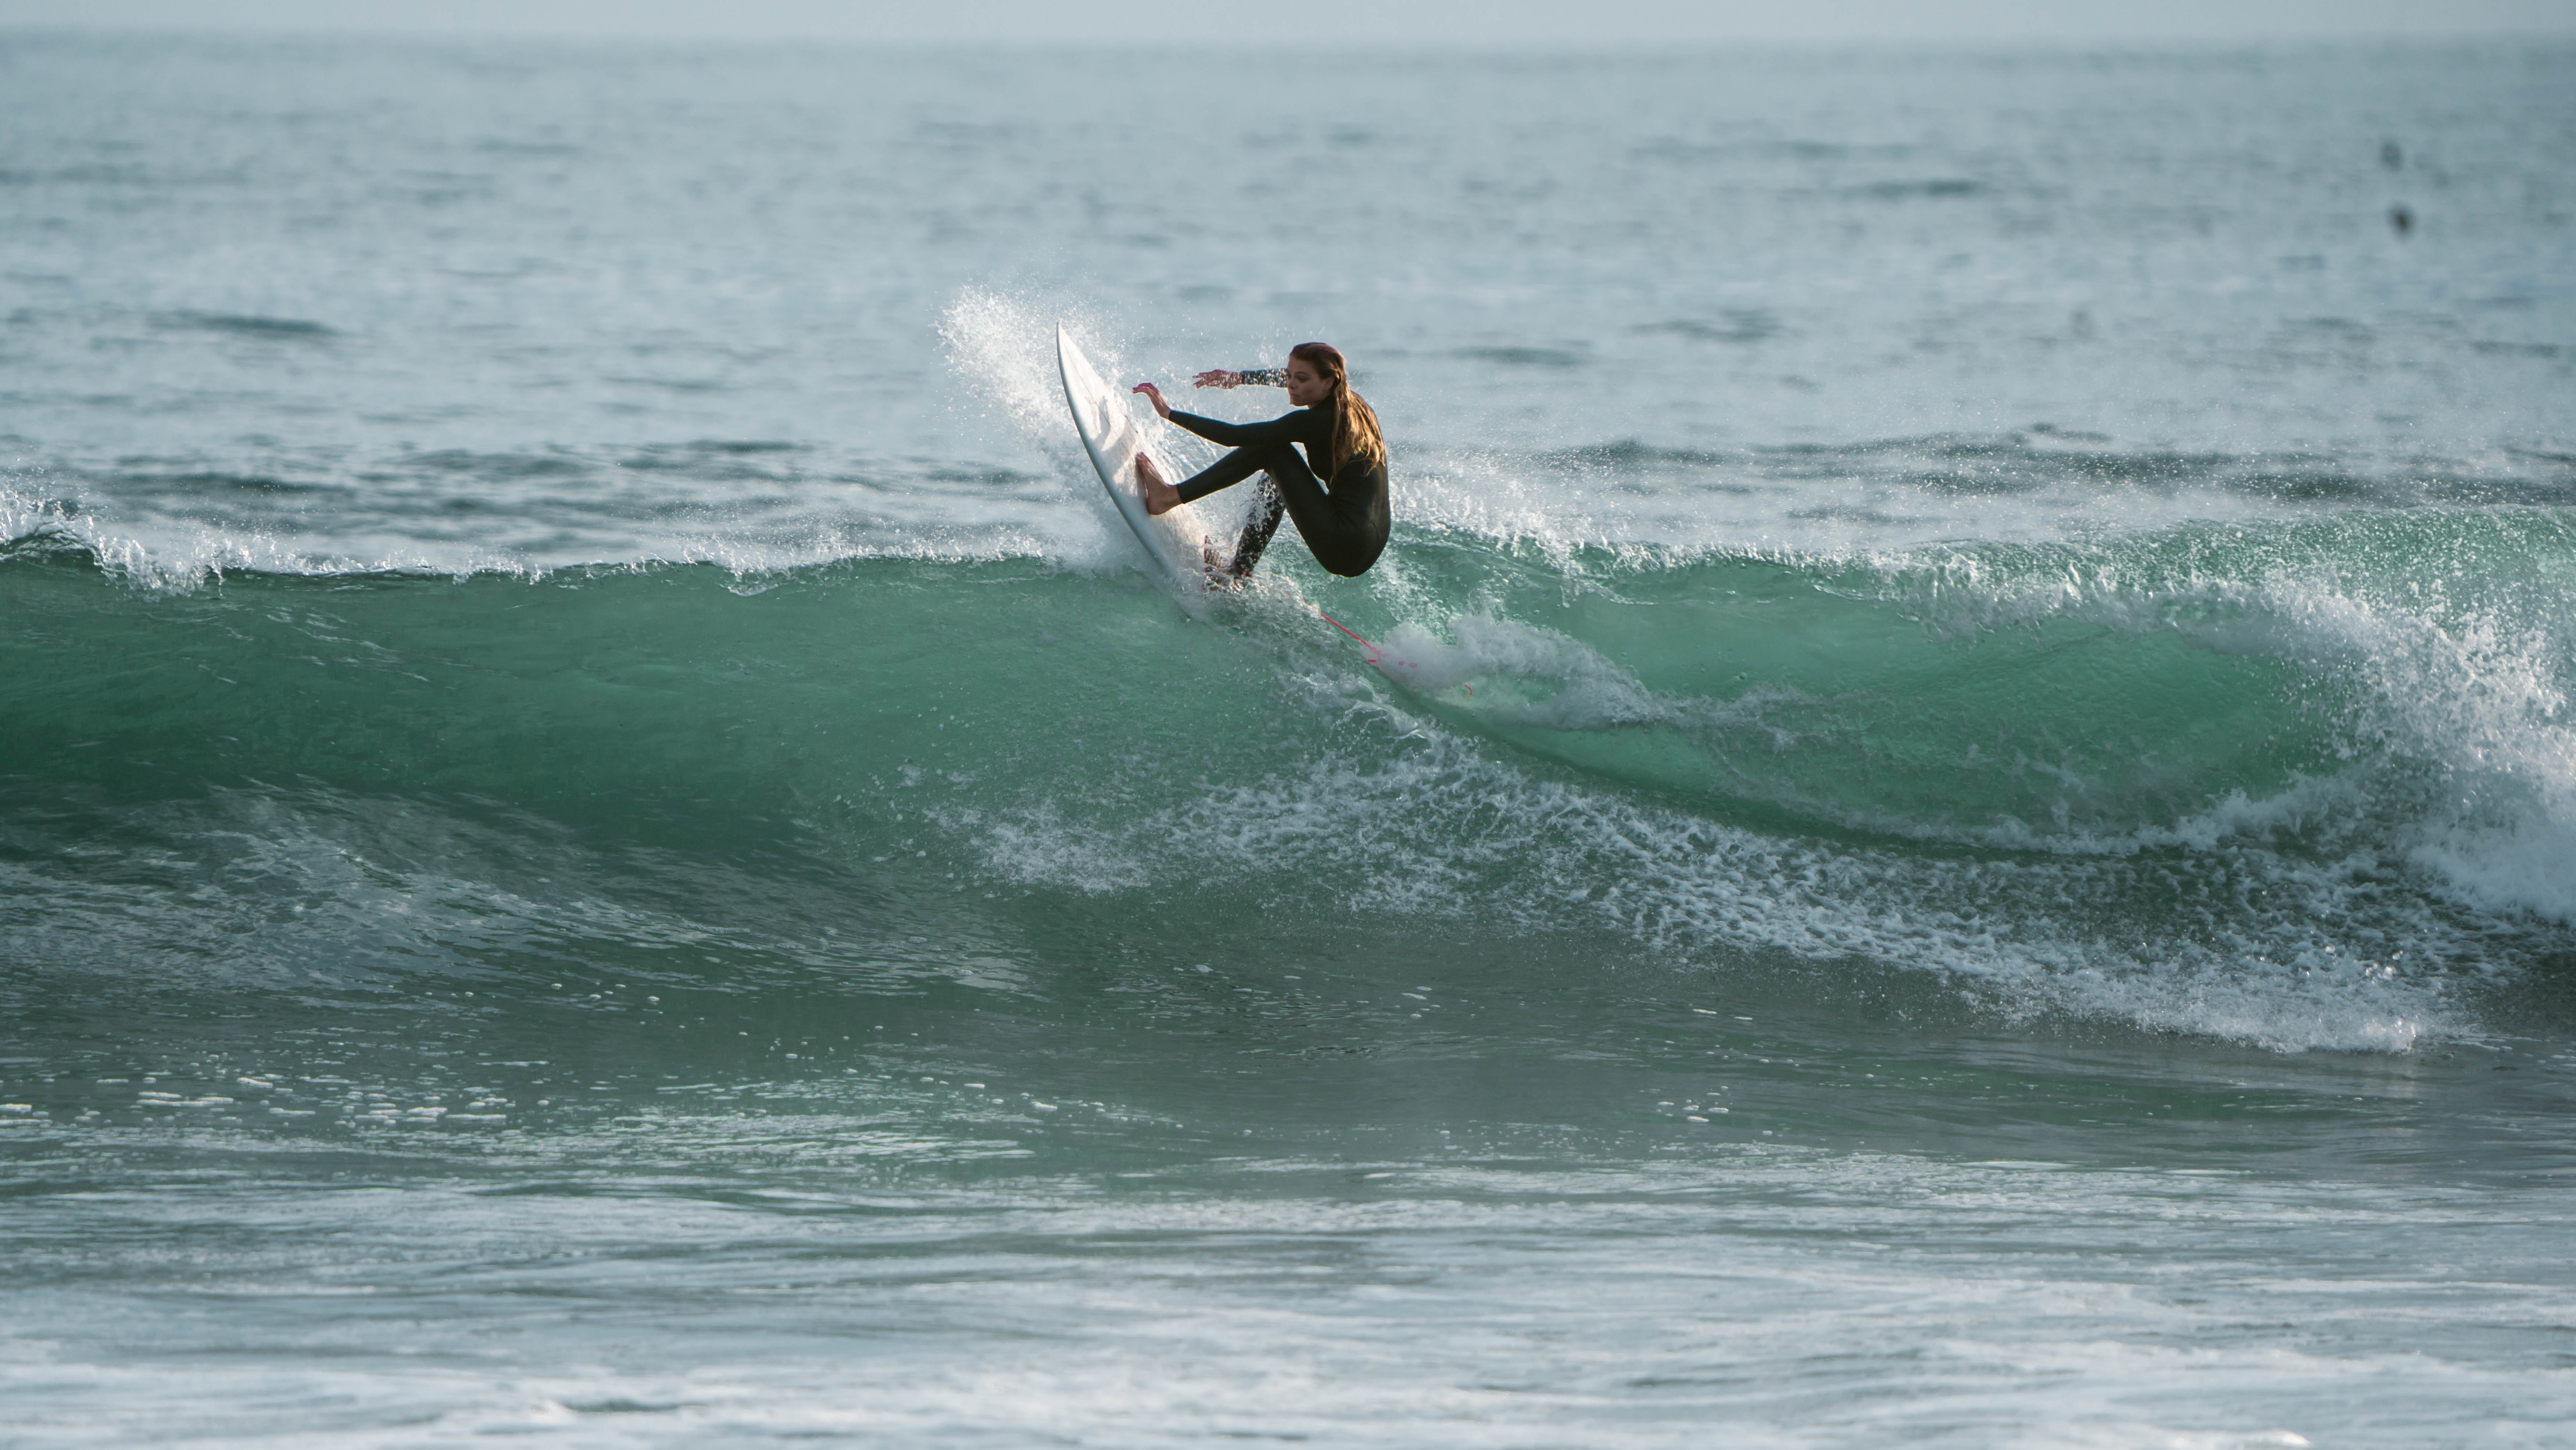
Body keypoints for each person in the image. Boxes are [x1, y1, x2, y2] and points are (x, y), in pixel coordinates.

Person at [1129, 342, 1389, 581]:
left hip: (1344, 545)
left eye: (1301, 379)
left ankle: (1169, 497)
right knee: (1278, 472)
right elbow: (1291, 377)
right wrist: (1240, 378)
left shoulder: (1317, 421)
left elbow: (1233, 437)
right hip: (1368, 544)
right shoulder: (1355, 409)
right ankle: (1240, 571)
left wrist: (1169, 413)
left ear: (1328, 383)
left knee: (1272, 450)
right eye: (1289, 376)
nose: (1290, 384)